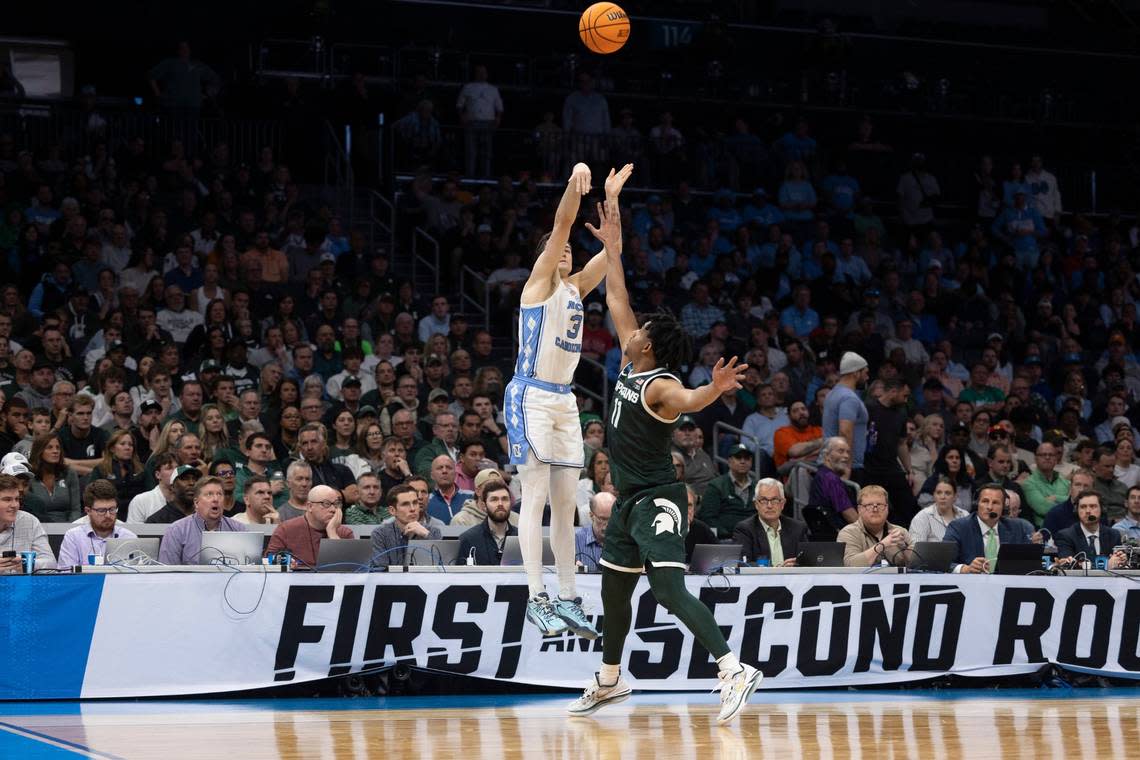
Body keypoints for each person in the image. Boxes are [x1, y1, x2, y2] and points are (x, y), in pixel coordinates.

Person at [568, 195, 761, 724]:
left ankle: (732, 668)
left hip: (658, 499)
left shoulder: (662, 385)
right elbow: (615, 293)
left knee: (668, 588)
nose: (629, 331)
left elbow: (690, 401)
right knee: (614, 591)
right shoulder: (632, 364)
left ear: (649, 347)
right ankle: (609, 680)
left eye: (640, 333)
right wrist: (614, 247)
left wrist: (713, 389)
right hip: (628, 501)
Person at [504, 163, 632, 640]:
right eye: (559, 251)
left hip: (563, 401)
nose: (566, 252)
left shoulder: (576, 288)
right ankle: (535, 596)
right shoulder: (538, 286)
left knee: (565, 506)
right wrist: (575, 178)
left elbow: (612, 250)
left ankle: (569, 598)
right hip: (531, 394)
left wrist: (613, 200)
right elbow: (562, 225)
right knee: (534, 497)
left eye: (570, 252)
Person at [942, 483, 1034, 573]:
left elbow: (1029, 563)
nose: (989, 507)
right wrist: (965, 569)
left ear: (1004, 508)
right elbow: (943, 561)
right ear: (977, 504)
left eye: (995, 503)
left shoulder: (1017, 528)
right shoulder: (959, 527)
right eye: (985, 501)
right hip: (971, 584)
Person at [159, 476, 246, 564]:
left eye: (219, 494)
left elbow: (250, 569)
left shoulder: (238, 529)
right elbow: (167, 572)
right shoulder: (176, 531)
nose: (216, 499)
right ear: (196, 503)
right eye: (209, 494)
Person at [266, 485, 355, 569]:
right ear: (310, 507)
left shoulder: (345, 533)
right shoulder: (286, 529)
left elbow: (350, 569)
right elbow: (268, 559)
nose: (333, 509)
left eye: (336, 504)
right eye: (326, 504)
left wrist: (332, 533)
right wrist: (287, 562)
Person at [58, 480, 136, 568]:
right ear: (88, 511)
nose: (108, 515)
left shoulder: (129, 537)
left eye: (112, 509)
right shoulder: (73, 537)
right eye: (101, 511)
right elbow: (66, 574)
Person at [732, 478, 807, 566]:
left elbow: (808, 560)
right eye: (764, 500)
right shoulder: (745, 529)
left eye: (775, 500)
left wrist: (796, 565)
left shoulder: (797, 528)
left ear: (782, 504)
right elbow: (743, 564)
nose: (769, 506)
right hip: (760, 579)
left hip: (792, 579)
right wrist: (775, 570)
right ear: (756, 504)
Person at [838, 485, 914, 567]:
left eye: (880, 505)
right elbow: (850, 564)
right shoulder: (848, 533)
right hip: (862, 580)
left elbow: (918, 564)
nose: (875, 509)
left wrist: (904, 548)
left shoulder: (901, 532)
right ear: (859, 509)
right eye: (869, 505)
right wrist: (882, 545)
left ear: (887, 508)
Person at [822, 352, 870, 481]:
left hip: (832, 463)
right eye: (865, 372)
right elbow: (845, 431)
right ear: (856, 373)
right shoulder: (849, 398)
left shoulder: (832, 393)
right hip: (845, 467)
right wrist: (846, 467)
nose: (867, 377)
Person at [369, 484, 442, 568]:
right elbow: (381, 570)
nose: (412, 509)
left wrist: (427, 535)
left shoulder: (433, 532)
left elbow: (441, 566)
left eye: (415, 503)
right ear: (392, 511)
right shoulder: (380, 534)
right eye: (405, 504)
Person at [698, 444, 757, 539]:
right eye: (738, 457)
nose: (743, 461)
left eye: (746, 458)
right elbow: (708, 517)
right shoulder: (716, 485)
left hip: (754, 538)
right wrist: (727, 535)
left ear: (751, 462)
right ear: (729, 462)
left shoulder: (759, 486)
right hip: (726, 539)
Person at [1054, 491, 1126, 567]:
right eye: (1083, 507)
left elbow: (1119, 564)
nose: (1088, 511)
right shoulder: (1066, 536)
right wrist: (1106, 565)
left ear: (1102, 509)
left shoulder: (1113, 535)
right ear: (1076, 510)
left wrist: (1121, 560)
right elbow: (1067, 565)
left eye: (1093, 506)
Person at [0, 474, 55, 572]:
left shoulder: (30, 521)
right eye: (7, 499)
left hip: (22, 586)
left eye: (17, 499)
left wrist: (30, 564)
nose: (14, 505)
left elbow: (51, 563)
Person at [457, 479, 518, 565]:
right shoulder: (468, 539)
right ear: (484, 505)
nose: (500, 504)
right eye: (494, 499)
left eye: (505, 499)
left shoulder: (522, 538)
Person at [806, 436, 858, 537]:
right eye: (841, 451)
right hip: (838, 535)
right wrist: (869, 531)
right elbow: (849, 514)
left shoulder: (821, 474)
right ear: (826, 456)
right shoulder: (831, 479)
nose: (846, 456)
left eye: (848, 452)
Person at [24, 432, 81, 522]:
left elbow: (76, 509)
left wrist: (70, 529)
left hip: (67, 527)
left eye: (58, 448)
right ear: (39, 451)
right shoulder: (29, 476)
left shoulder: (69, 473)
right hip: (39, 526)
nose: (55, 451)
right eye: (49, 447)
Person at [908, 477, 969, 543]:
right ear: (934, 495)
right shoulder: (922, 517)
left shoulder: (965, 516)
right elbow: (916, 549)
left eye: (947, 493)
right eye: (939, 493)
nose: (942, 497)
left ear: (955, 496)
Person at [1021, 441, 1069, 526]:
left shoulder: (1065, 481)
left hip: (1067, 529)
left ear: (1056, 458)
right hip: (1044, 532)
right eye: (1043, 455)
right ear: (1035, 458)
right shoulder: (1029, 483)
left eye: (1051, 455)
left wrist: (1055, 498)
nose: (1047, 457)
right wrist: (1066, 501)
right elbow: (1043, 508)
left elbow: (1076, 502)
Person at [1042, 468, 1096, 536]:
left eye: (1086, 486)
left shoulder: (1100, 514)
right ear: (1070, 488)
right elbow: (1046, 544)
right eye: (1077, 485)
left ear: (1093, 491)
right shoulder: (1054, 515)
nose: (1081, 490)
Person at [772, 400, 823, 470]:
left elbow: (828, 449)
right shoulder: (781, 433)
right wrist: (820, 442)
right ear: (789, 416)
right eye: (795, 411)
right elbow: (795, 452)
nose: (801, 413)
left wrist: (804, 456)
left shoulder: (819, 430)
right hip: (792, 475)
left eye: (803, 409)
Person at [127, 452, 178, 522]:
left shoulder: (188, 501)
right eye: (169, 468)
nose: (175, 472)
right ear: (158, 475)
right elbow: (133, 532)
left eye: (177, 468)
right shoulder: (140, 501)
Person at [574, 491, 614, 571]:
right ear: (591, 515)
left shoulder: (625, 541)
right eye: (602, 519)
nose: (608, 524)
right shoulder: (575, 540)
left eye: (612, 518)